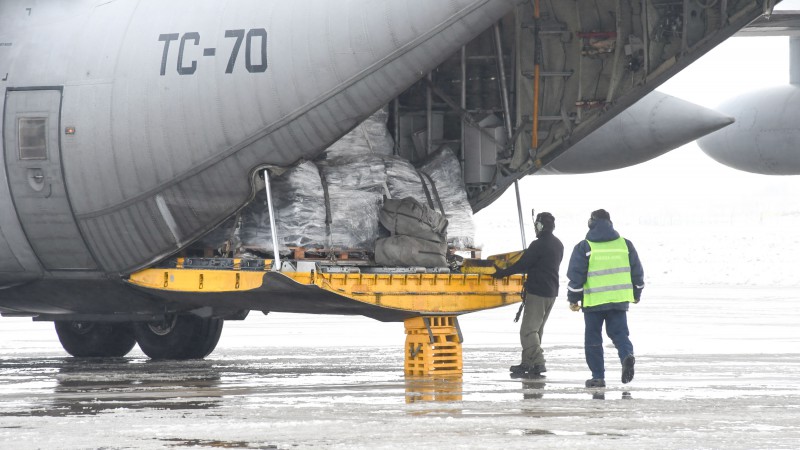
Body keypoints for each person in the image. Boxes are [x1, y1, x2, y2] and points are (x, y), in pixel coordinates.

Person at [566, 209, 644, 388]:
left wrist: (573, 299)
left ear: (591, 223)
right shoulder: (625, 245)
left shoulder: (585, 247)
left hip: (594, 302)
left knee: (593, 339)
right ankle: (626, 356)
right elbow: (637, 273)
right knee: (620, 334)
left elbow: (576, 276)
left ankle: (598, 377)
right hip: (619, 301)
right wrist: (636, 294)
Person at [493, 211, 564, 378]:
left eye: (536, 226)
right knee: (537, 330)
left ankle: (538, 362)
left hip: (538, 292)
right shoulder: (558, 244)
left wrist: (502, 273)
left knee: (527, 330)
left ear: (539, 226)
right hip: (551, 292)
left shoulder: (538, 244)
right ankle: (528, 364)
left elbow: (523, 265)